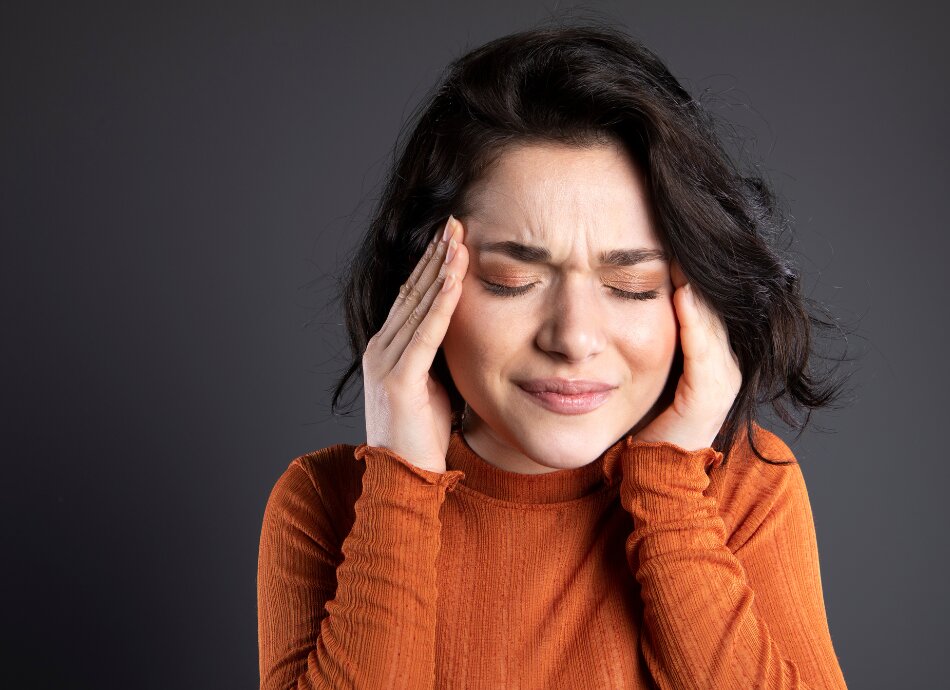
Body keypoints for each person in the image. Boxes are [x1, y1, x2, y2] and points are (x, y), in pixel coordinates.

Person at [258, 20, 852, 690]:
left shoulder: (747, 489)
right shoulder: (326, 503)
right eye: (513, 280)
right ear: (420, 285)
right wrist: (399, 483)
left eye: (632, 285)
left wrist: (669, 494)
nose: (573, 337)